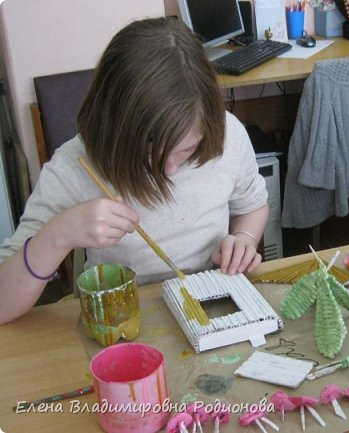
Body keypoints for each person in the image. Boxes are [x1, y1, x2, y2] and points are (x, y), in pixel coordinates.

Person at [0, 17, 268, 325]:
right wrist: (59, 234)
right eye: (151, 147)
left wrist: (244, 238)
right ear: (114, 124)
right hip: (124, 320)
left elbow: (253, 205)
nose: (168, 169)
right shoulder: (76, 167)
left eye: (187, 150)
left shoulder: (228, 134)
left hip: (211, 304)